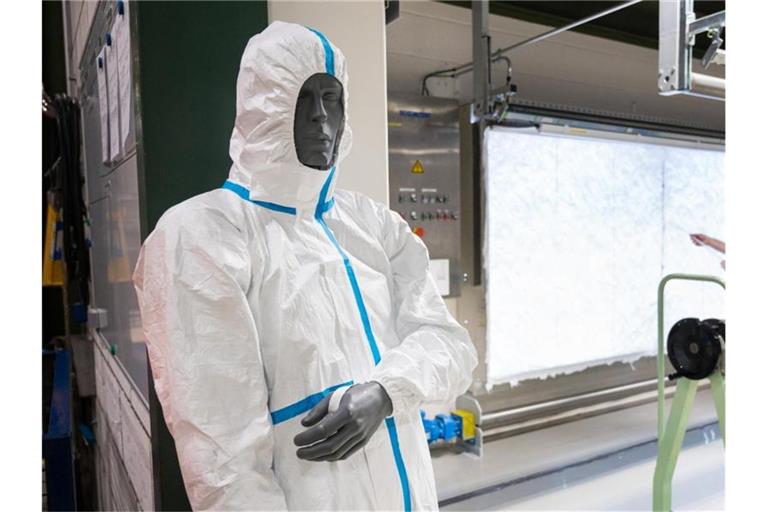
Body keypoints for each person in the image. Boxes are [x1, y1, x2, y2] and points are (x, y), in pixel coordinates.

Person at [133, 21, 477, 511]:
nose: (320, 117)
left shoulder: (373, 225)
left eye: (331, 97)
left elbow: (450, 344)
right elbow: (225, 462)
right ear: (262, 108)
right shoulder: (203, 236)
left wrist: (384, 392)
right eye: (300, 98)